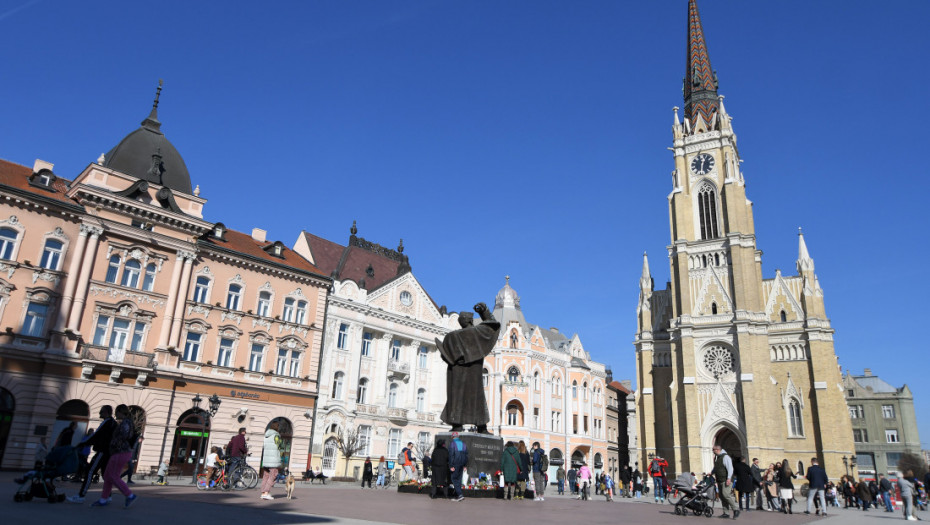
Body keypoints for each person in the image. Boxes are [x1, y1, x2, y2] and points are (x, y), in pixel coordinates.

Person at [437, 303, 500, 433]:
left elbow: (445, 355)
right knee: (476, 396)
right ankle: (481, 427)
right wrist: (484, 312)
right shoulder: (478, 332)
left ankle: (457, 425)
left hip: (459, 373)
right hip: (472, 371)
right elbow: (492, 326)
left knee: (458, 396)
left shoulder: (452, 336)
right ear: (471, 320)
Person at [90, 404, 137, 508]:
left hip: (120, 452)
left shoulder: (126, 423)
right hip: (118, 452)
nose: (115, 415)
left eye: (117, 412)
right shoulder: (127, 422)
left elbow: (124, 436)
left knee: (113, 476)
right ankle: (103, 499)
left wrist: (114, 443)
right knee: (107, 476)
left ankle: (129, 495)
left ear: (121, 412)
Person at [69, 405, 116, 503]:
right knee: (105, 474)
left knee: (90, 472)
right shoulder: (113, 423)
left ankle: (81, 495)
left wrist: (82, 444)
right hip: (108, 452)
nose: (99, 413)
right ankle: (108, 495)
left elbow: (96, 436)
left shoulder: (106, 423)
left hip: (102, 451)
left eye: (101, 412)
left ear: (106, 412)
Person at [711, 444, 739, 519]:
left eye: (713, 450)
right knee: (722, 497)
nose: (712, 451)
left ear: (717, 450)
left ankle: (736, 509)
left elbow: (730, 468)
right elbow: (716, 468)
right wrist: (711, 472)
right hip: (719, 480)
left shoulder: (725, 457)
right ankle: (726, 513)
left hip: (726, 479)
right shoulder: (717, 458)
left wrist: (729, 478)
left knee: (726, 495)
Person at [260, 421, 282, 500]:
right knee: (273, 475)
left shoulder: (266, 435)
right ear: (277, 427)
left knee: (265, 476)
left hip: (266, 459)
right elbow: (279, 445)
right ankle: (266, 492)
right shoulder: (276, 435)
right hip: (273, 459)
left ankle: (263, 492)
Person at [448, 432, 467, 502]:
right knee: (459, 480)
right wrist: (465, 465)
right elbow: (466, 455)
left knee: (454, 479)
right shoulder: (463, 444)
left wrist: (451, 465)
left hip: (455, 464)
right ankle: (458, 495)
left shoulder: (452, 444)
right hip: (462, 464)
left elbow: (451, 455)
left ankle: (460, 494)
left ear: (452, 437)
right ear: (458, 436)